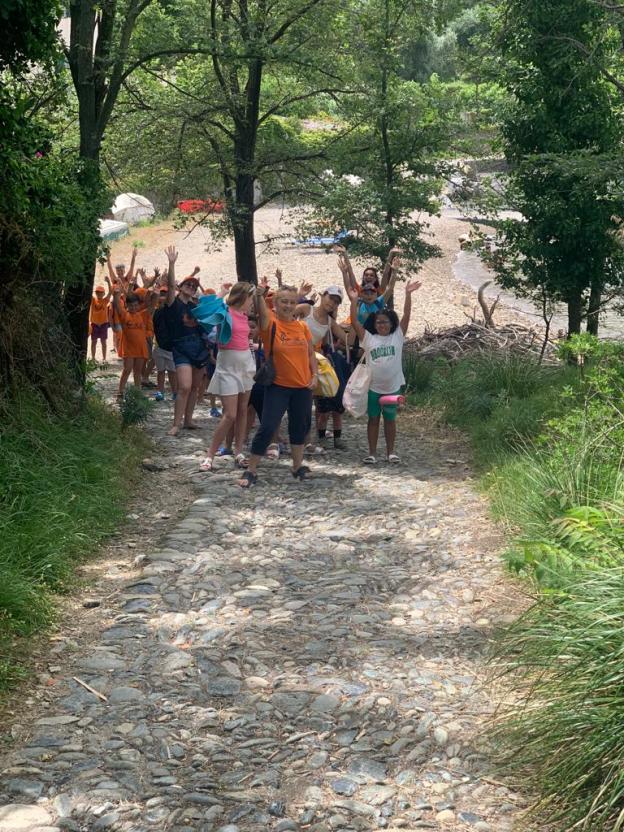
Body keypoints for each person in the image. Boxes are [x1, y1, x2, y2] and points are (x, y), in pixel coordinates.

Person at [238, 285, 318, 487]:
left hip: (302, 386)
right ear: (275, 303)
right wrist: (259, 296)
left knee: (299, 426)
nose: (288, 306)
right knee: (268, 426)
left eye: (292, 302)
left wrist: (315, 375)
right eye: (284, 301)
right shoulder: (271, 324)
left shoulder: (302, 327)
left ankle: (297, 466)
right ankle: (251, 469)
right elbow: (262, 312)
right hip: (278, 385)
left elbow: (310, 353)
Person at [347, 277, 422, 464]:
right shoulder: (369, 338)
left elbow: (406, 315)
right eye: (379, 322)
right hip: (373, 388)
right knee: (373, 420)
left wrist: (408, 294)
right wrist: (354, 300)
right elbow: (355, 322)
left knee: (390, 420)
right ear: (374, 324)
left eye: (385, 322)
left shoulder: (397, 336)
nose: (382, 325)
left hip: (392, 388)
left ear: (391, 323)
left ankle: (391, 452)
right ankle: (372, 453)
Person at [199, 282, 257, 471]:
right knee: (230, 414)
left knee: (242, 410)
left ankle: (239, 451)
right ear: (243, 297)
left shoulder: (244, 315)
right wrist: (221, 293)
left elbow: (243, 338)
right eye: (250, 298)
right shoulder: (225, 312)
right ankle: (210, 455)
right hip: (228, 366)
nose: (252, 302)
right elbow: (205, 316)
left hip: (245, 364)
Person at [295, 285, 348, 453]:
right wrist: (298, 295)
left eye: (336, 302)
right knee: (285, 401)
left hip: (309, 363)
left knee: (306, 404)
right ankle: (275, 441)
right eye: (331, 298)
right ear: (323, 295)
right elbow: (283, 315)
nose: (332, 303)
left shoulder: (330, 323)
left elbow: (348, 339)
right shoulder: (306, 309)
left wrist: (355, 307)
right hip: (291, 358)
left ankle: (306, 441)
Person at [164, 247, 210, 436]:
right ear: (180, 287)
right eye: (188, 284)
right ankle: (176, 424)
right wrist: (172, 264)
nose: (191, 287)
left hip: (198, 347)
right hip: (181, 347)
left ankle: (188, 420)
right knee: (184, 386)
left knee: (195, 387)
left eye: (193, 286)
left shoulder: (195, 307)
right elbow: (169, 287)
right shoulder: (173, 303)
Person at [112, 287, 153, 397]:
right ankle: (120, 391)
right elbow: (117, 306)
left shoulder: (142, 315)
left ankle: (137, 392)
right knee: (127, 369)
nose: (133, 308)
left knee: (138, 371)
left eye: (135, 305)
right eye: (131, 306)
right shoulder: (124, 315)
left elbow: (151, 305)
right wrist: (116, 294)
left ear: (139, 305)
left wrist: (153, 292)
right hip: (128, 348)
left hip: (140, 348)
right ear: (127, 305)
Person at [152, 287, 178, 401]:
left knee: (172, 372)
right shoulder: (157, 313)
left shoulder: (173, 312)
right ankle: (160, 391)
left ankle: (175, 392)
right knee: (161, 371)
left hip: (170, 348)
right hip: (159, 346)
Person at [89, 279, 112, 361]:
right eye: (97, 292)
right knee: (93, 342)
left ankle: (104, 358)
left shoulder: (105, 300)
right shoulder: (93, 300)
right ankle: (93, 358)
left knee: (103, 342)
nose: (99, 294)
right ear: (95, 293)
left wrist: (108, 282)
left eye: (101, 292)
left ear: (103, 293)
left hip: (103, 324)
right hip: (94, 324)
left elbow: (110, 292)